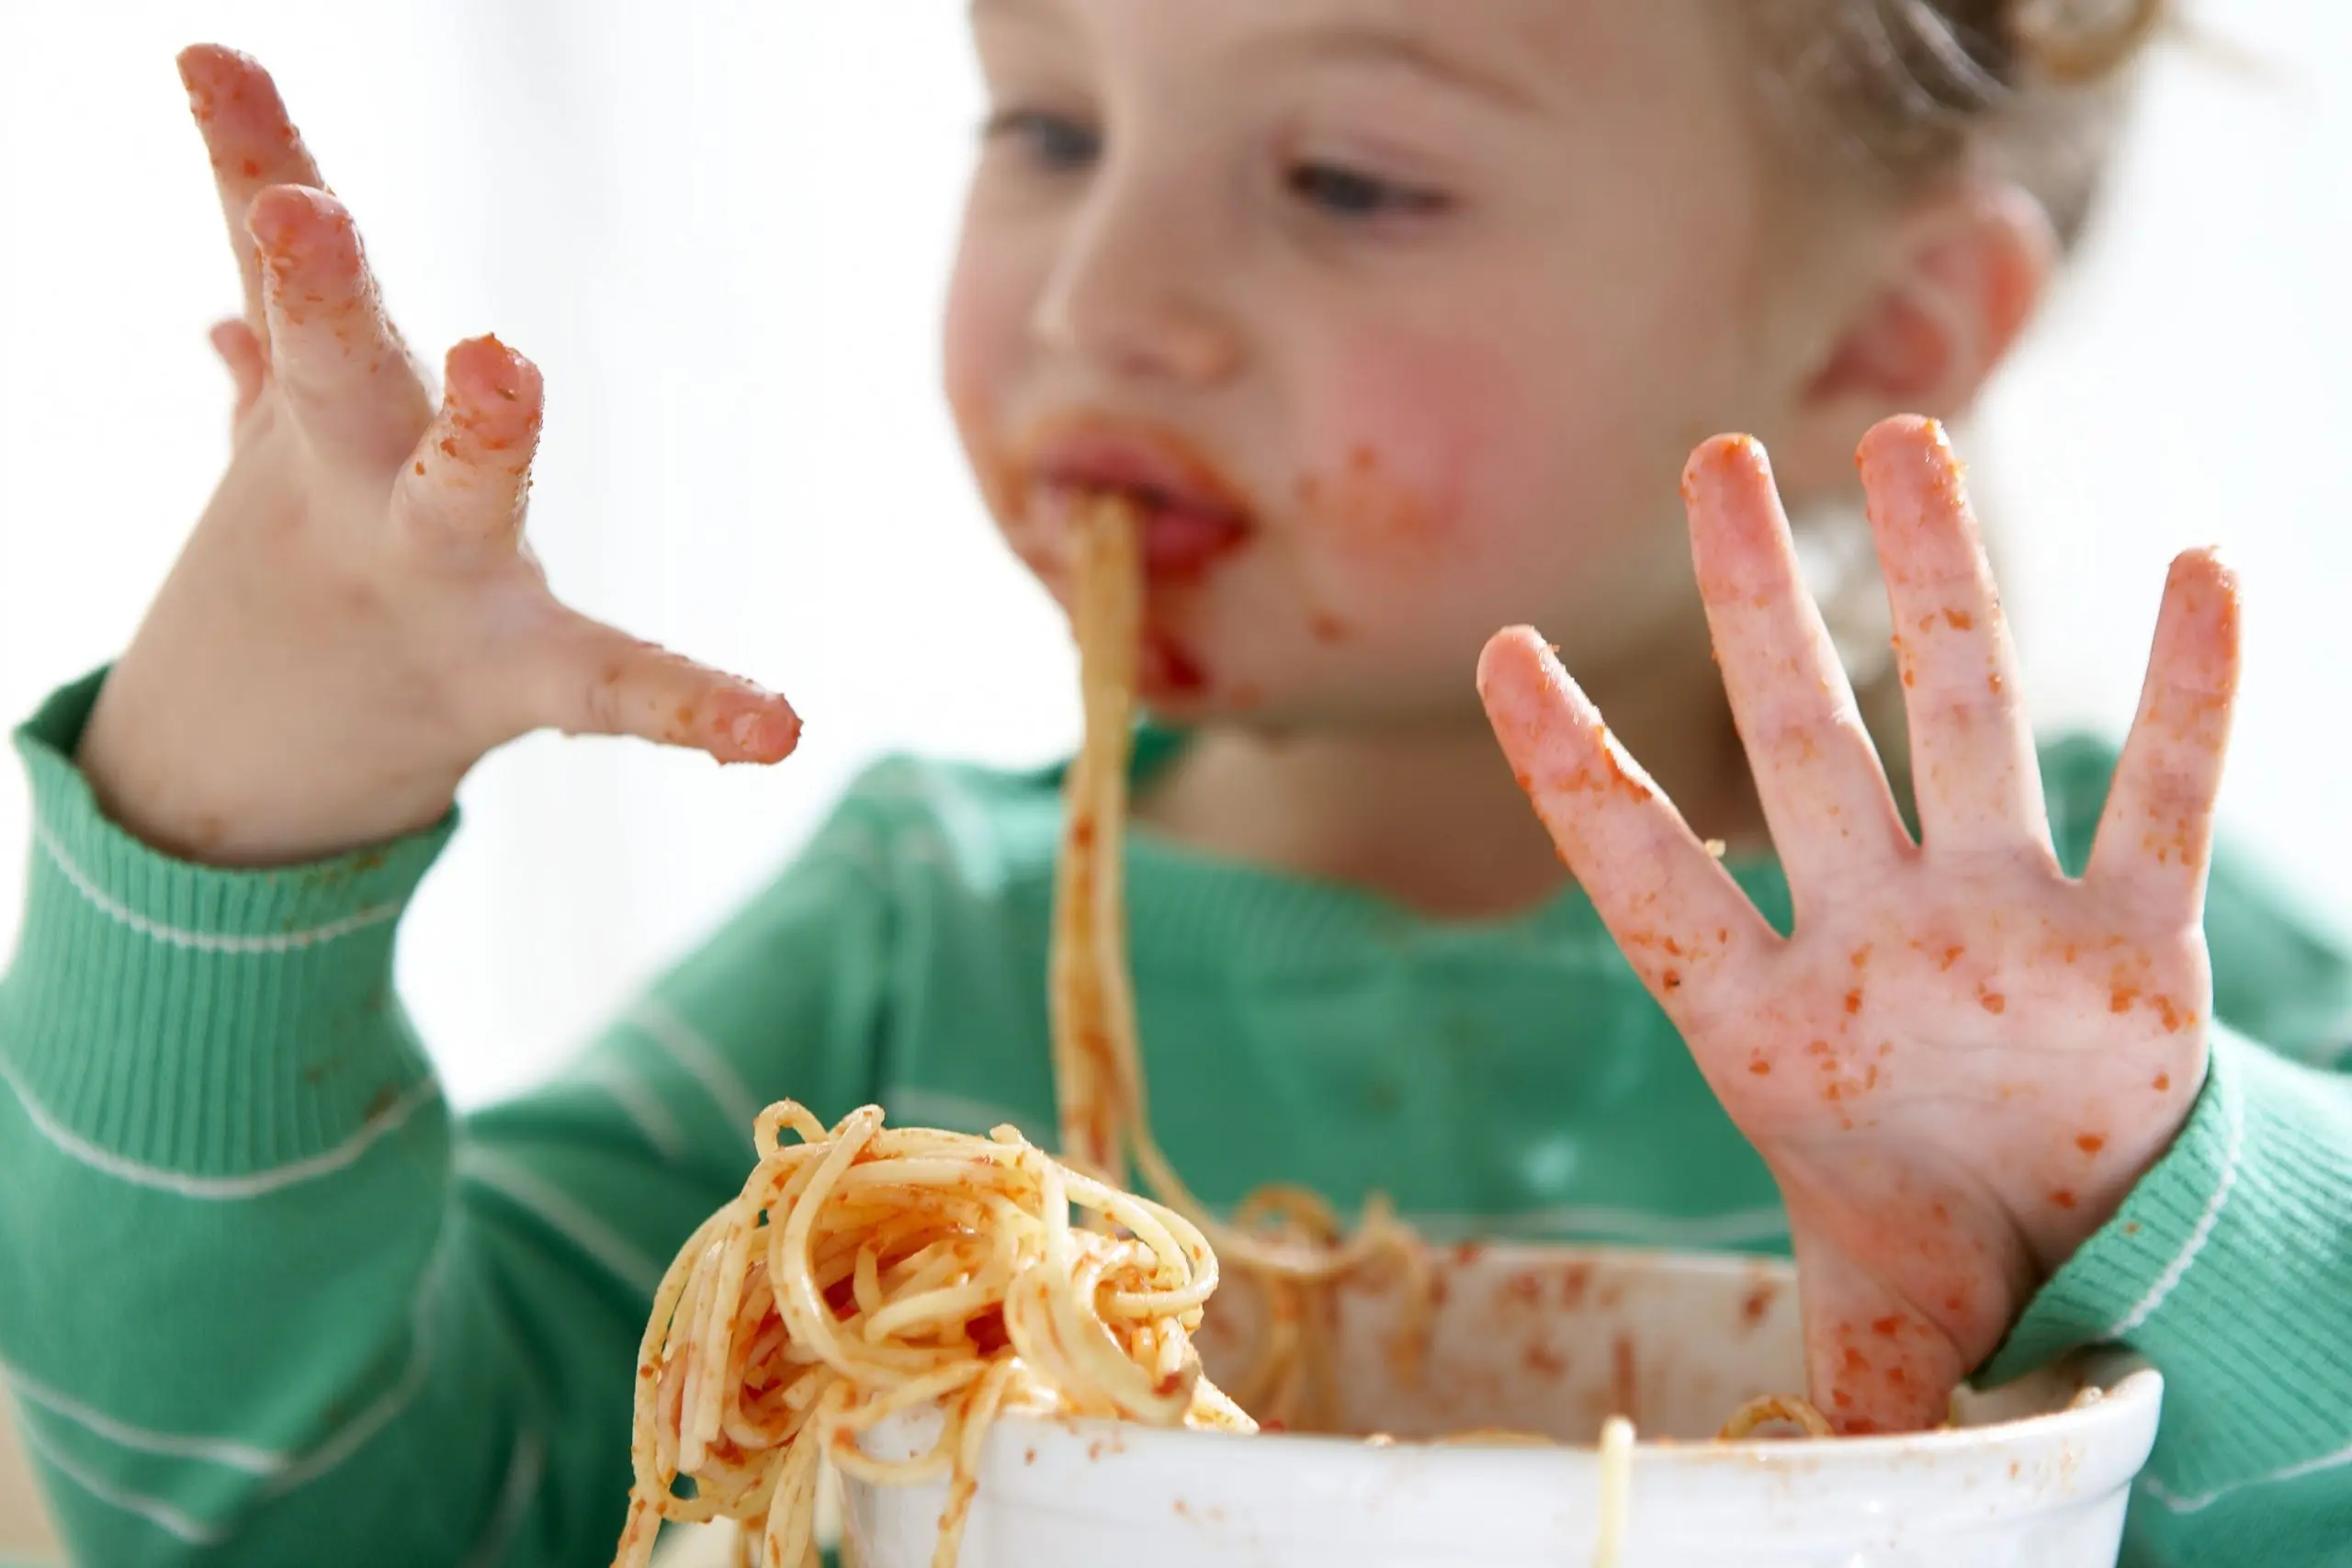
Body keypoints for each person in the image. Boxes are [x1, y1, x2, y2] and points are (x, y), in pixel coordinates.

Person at [3, 4, 2346, 1563]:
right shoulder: (910, 955)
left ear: (1875, 337)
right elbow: (290, 1508)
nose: (1101, 296)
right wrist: (233, 810)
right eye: (1045, 120)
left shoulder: (2106, 1023)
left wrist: (2157, 1188)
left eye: (1344, 177)